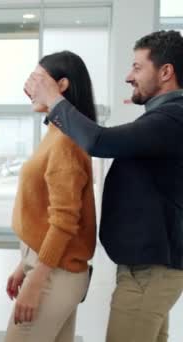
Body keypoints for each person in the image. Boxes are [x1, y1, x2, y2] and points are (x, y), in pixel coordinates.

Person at [25, 30, 183, 342]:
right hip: (150, 268)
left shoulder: (172, 118)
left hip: (149, 272)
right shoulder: (164, 118)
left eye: (137, 67)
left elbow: (100, 140)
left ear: (166, 72)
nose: (129, 76)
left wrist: (54, 100)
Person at [5, 50, 97, 342]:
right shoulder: (58, 133)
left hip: (54, 275)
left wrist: (36, 282)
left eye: (37, 79)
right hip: (52, 268)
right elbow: (45, 212)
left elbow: (64, 221)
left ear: (63, 85)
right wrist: (25, 263)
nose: (29, 87)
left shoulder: (66, 141)